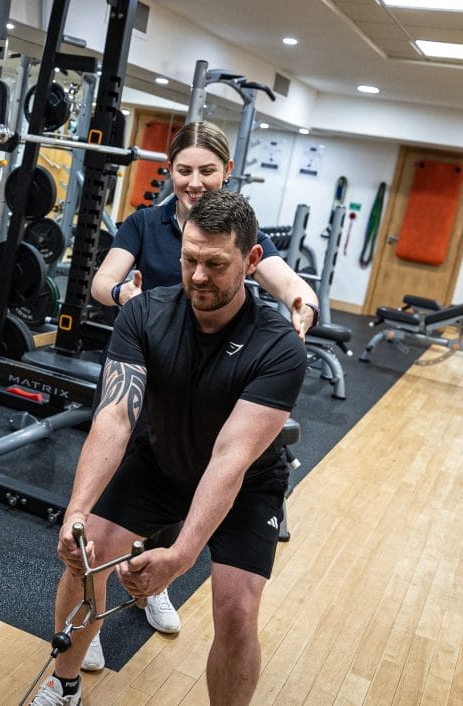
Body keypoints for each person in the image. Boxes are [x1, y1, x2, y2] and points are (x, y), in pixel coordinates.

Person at [30, 189, 307, 705]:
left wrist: (181, 556)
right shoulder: (144, 315)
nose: (198, 275)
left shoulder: (280, 347)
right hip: (160, 461)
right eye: (189, 259)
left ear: (250, 261)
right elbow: (114, 417)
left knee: (236, 609)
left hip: (246, 485)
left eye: (216, 264)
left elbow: (231, 458)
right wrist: (76, 512)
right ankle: (64, 683)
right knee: (87, 551)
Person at [82, 121, 319, 669]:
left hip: (217, 383)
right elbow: (102, 283)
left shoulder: (236, 226)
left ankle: (156, 583)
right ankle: (93, 621)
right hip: (159, 371)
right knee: (119, 509)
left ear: (226, 172)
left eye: (206, 170)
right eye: (184, 170)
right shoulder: (146, 223)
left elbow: (282, 280)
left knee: (199, 494)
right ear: (170, 171)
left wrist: (301, 301)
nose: (194, 182)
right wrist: (124, 294)